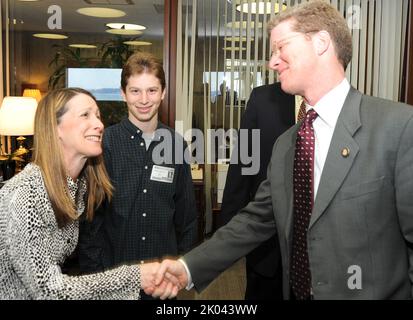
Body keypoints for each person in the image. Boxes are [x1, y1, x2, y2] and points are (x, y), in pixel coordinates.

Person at [154, 1, 413, 300]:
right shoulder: (288, 144)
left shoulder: (398, 127)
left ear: (321, 43)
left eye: (281, 47)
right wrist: (188, 267)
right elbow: (256, 219)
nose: (272, 62)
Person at [0, 88, 178, 300]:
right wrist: (135, 275)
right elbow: (47, 290)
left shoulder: (78, 188)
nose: (99, 125)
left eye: (98, 116)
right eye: (85, 115)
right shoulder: (25, 194)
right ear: (55, 127)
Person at [78, 52, 198, 299]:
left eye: (152, 91)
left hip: (163, 282)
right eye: (135, 91)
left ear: (163, 92)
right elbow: (91, 222)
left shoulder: (176, 145)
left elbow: (187, 218)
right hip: (114, 279)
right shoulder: (104, 144)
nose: (144, 100)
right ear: (123, 94)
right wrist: (96, 278)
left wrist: (182, 270)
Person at [218, 83, 295, 300]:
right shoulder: (263, 99)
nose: (275, 62)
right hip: (267, 247)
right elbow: (243, 164)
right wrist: (228, 234)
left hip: (320, 255)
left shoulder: (336, 102)